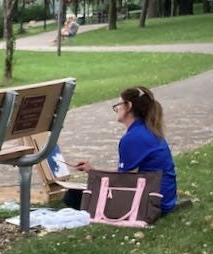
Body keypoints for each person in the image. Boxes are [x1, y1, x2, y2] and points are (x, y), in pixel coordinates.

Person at [69, 85, 179, 214]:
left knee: (72, 196)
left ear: (129, 106)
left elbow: (122, 179)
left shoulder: (133, 138)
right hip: (164, 198)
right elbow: (126, 173)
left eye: (119, 104)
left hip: (152, 203)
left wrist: (95, 176)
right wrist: (92, 171)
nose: (117, 108)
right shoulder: (148, 130)